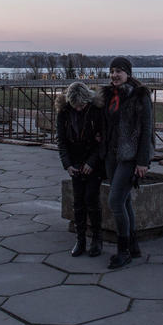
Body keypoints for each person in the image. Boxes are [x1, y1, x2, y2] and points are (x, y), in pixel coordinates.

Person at [101, 57, 154, 269]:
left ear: (128, 73)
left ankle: (122, 251)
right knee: (125, 201)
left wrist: (143, 161)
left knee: (115, 202)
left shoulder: (140, 96)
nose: (114, 75)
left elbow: (147, 130)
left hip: (130, 156)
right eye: (112, 71)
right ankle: (133, 246)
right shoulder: (108, 96)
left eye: (119, 71)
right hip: (111, 156)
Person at [56, 81, 105, 257]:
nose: (78, 109)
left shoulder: (96, 111)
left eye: (82, 105)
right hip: (75, 161)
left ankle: (97, 239)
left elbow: (101, 141)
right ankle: (81, 239)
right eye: (75, 105)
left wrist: (91, 162)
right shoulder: (64, 112)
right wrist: (67, 164)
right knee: (78, 203)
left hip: (93, 162)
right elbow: (61, 141)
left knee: (92, 200)